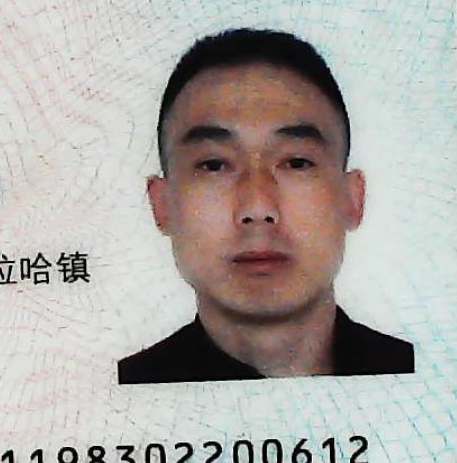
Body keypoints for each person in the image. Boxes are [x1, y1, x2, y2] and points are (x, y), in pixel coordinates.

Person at [117, 28, 416, 381]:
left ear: (352, 199)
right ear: (162, 206)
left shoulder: (430, 374)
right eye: (213, 165)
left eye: (296, 163)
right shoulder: (115, 393)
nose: (258, 208)